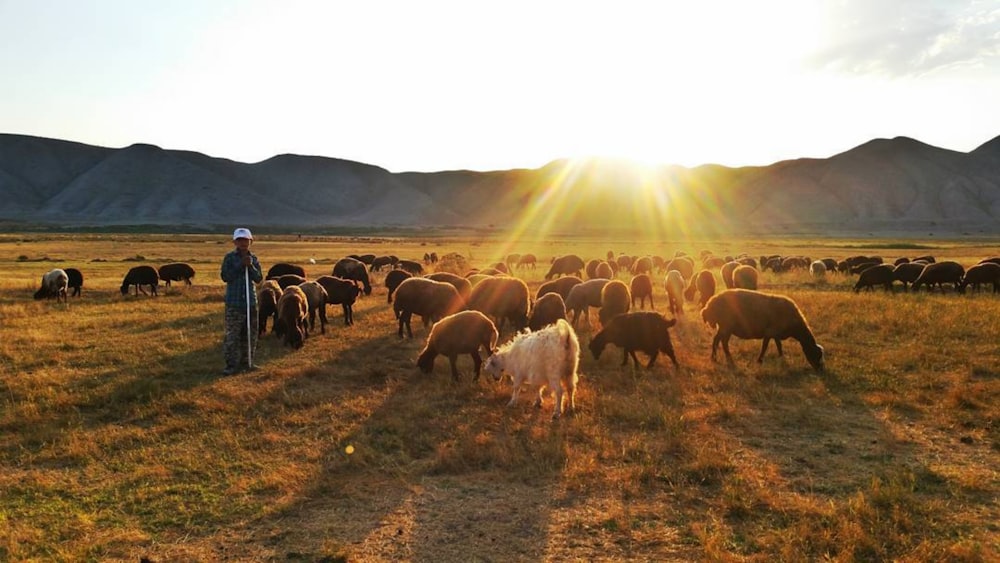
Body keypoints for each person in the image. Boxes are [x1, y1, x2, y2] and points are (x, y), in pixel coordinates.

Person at [220, 227, 264, 375]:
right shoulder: (229, 258)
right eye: (240, 240)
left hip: (250, 302)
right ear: (235, 242)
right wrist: (240, 265)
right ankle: (231, 365)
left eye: (245, 240)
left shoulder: (254, 259)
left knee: (250, 334)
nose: (243, 243)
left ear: (251, 241)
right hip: (234, 303)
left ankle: (248, 362)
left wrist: (250, 265)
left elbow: (258, 279)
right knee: (232, 335)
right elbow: (226, 276)